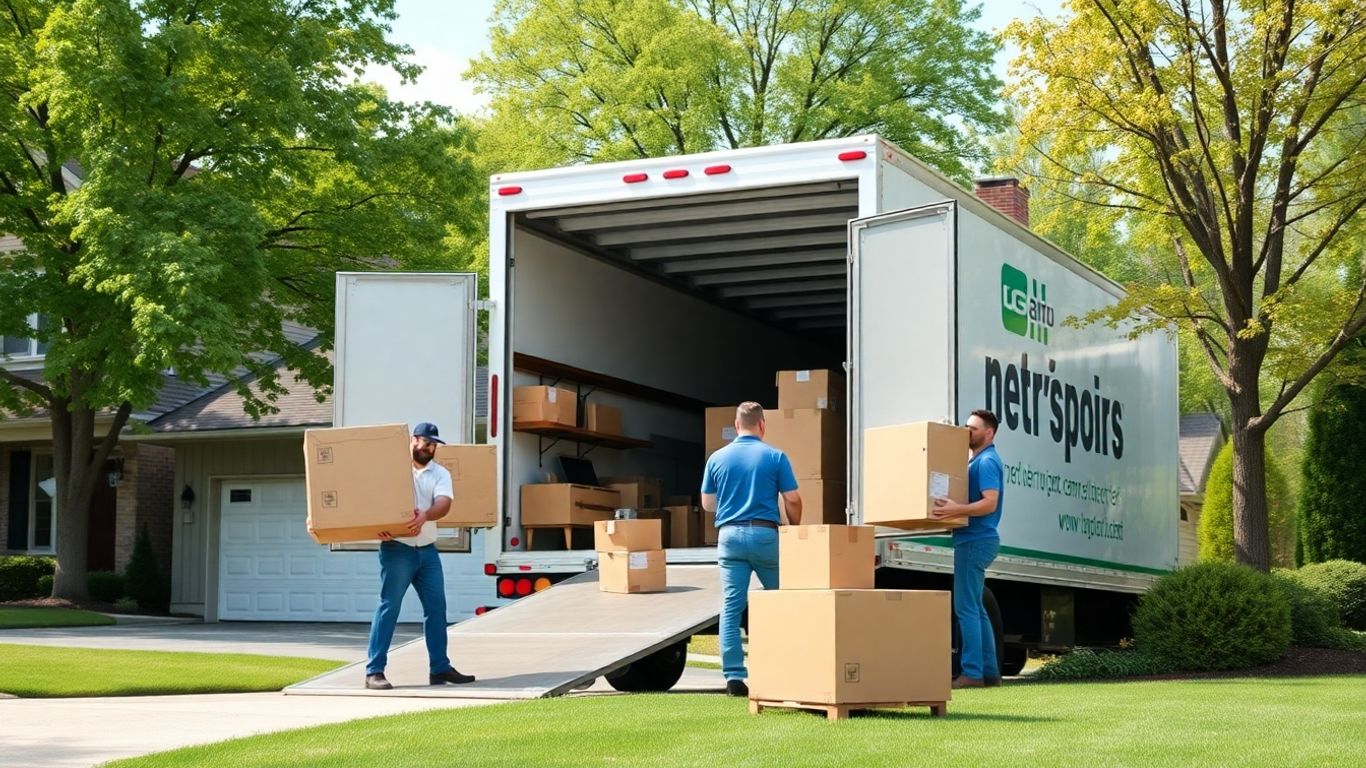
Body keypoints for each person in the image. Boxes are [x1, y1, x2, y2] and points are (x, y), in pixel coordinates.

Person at [701, 402, 802, 697]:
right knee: (782, 600)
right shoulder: (774, 456)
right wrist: (794, 528)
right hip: (765, 534)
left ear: (736, 425)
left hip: (729, 536)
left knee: (732, 607)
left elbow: (708, 504)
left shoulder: (717, 458)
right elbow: (792, 499)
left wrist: (732, 506)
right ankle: (784, 667)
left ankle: (734, 677)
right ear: (762, 425)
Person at [364, 422, 476, 690]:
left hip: (427, 551)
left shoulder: (440, 473)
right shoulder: (393, 471)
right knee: (389, 606)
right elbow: (372, 499)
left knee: (437, 609)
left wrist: (426, 514)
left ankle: (439, 669)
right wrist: (379, 523)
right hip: (397, 549)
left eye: (433, 444)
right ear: (413, 440)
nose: (428, 448)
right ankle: (374, 671)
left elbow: (443, 504)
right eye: (425, 442)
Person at [930, 409, 1005, 689]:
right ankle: (989, 672)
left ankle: (972, 673)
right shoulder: (977, 460)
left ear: (989, 433)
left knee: (965, 609)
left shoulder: (986, 462)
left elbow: (990, 502)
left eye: (972, 429)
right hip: (976, 540)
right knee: (976, 608)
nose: (967, 432)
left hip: (975, 540)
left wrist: (956, 509)